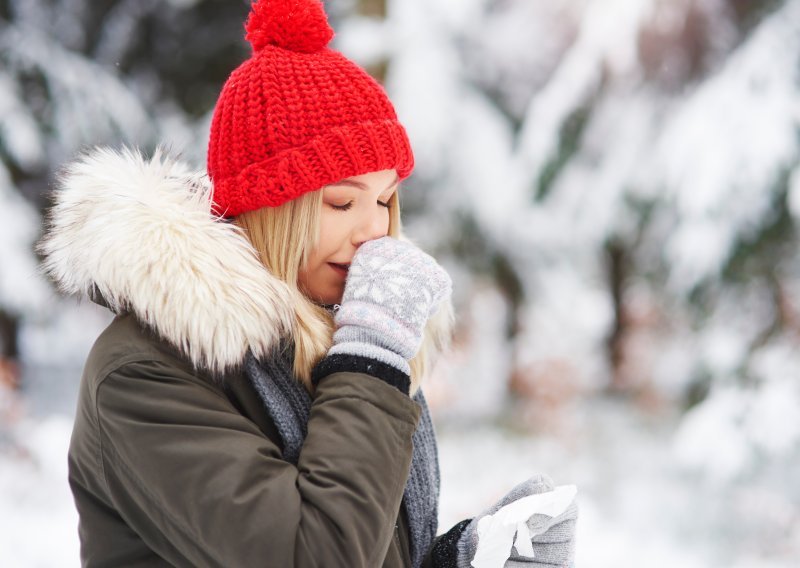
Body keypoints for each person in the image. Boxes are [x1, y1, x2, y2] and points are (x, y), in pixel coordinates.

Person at [39, 0, 578, 566]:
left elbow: (360, 537)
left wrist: (462, 559)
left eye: (385, 199)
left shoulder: (331, 336)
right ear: (271, 208)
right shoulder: (147, 374)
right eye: (342, 201)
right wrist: (371, 360)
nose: (374, 230)